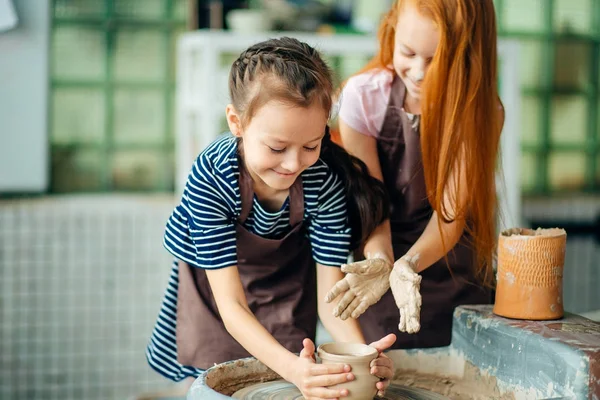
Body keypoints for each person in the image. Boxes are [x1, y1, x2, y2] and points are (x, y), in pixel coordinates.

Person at [146, 37, 396, 399]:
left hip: (285, 290)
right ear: (237, 122)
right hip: (217, 297)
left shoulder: (322, 181)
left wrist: (363, 356)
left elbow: (330, 298)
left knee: (288, 378)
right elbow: (231, 306)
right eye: (277, 148)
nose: (294, 164)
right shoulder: (212, 176)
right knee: (215, 386)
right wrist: (294, 370)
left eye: (311, 146)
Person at [325, 0, 505, 349]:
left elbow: (450, 217)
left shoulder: (481, 110)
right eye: (407, 52)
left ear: (469, 55)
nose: (419, 72)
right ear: (391, 31)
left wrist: (409, 264)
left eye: (436, 59)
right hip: (382, 271)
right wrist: (382, 262)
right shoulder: (362, 98)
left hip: (457, 276)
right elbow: (372, 205)